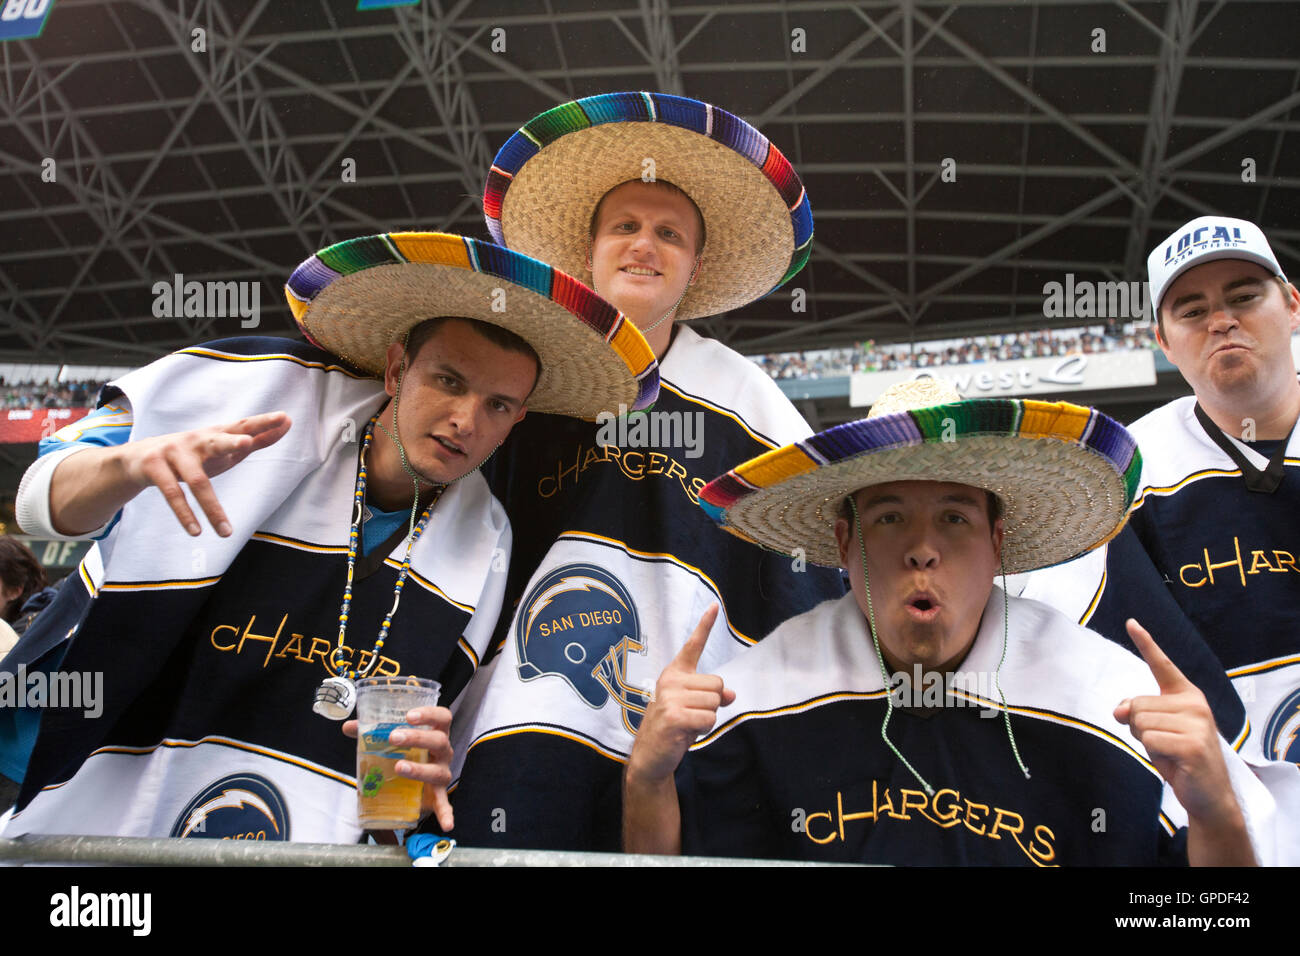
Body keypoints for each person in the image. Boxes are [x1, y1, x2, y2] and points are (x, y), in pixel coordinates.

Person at [0, 231, 656, 841]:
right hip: (52, 758)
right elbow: (40, 503)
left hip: (263, 828)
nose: (465, 421)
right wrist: (128, 466)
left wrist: (427, 768)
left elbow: (416, 762)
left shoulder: (487, 540)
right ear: (398, 369)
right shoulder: (255, 400)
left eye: (499, 405)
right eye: (449, 381)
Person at [623, 380, 1277, 865]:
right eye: (889, 516)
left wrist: (1214, 806)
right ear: (845, 544)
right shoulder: (757, 698)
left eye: (954, 517)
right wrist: (647, 779)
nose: (922, 547)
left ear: (999, 543)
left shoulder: (1114, 701)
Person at [436, 92, 845, 849]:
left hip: (676, 755)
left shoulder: (751, 404)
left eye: (669, 234)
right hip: (497, 739)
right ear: (588, 250)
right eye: (623, 226)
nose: (642, 245)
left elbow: (808, 581)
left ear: (695, 266)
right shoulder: (520, 374)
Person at [1018, 215, 1300, 861]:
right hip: (1237, 812)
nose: (1220, 320)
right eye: (1191, 309)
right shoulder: (1127, 474)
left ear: (1292, 305)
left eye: (1243, 296)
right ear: (1163, 343)